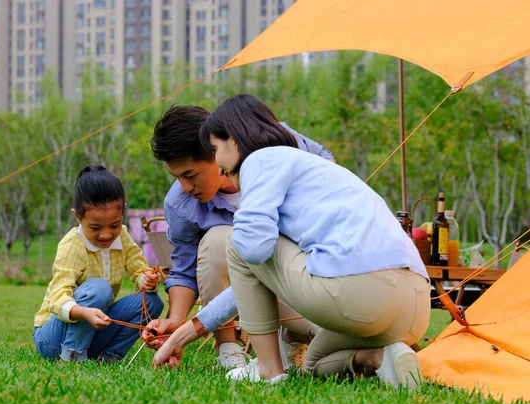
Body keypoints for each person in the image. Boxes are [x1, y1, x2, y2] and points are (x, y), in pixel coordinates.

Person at [154, 94, 430, 388]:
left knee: (237, 239)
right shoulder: (308, 162)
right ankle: (383, 358)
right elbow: (258, 271)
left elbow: (251, 252)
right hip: (413, 307)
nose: (218, 162)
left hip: (357, 294)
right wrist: (187, 329)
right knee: (315, 362)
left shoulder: (260, 160)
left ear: (233, 141)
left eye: (214, 147)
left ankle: (268, 368)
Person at [146, 100, 334, 368]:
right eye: (177, 177)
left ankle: (293, 337)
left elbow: (326, 162)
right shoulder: (180, 204)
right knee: (218, 240)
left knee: (334, 344)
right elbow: (184, 270)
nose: (186, 187)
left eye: (191, 174)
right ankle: (229, 347)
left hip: (302, 276)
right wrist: (176, 324)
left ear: (216, 151)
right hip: (249, 289)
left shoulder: (271, 139)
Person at [33, 165, 164, 363]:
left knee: (153, 302)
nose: (106, 234)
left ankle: (108, 357)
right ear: (77, 217)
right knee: (99, 288)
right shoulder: (72, 245)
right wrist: (83, 313)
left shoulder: (123, 236)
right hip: (52, 340)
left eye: (114, 225)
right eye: (95, 227)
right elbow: (57, 297)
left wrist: (147, 279)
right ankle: (72, 355)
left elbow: (139, 270)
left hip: (93, 331)